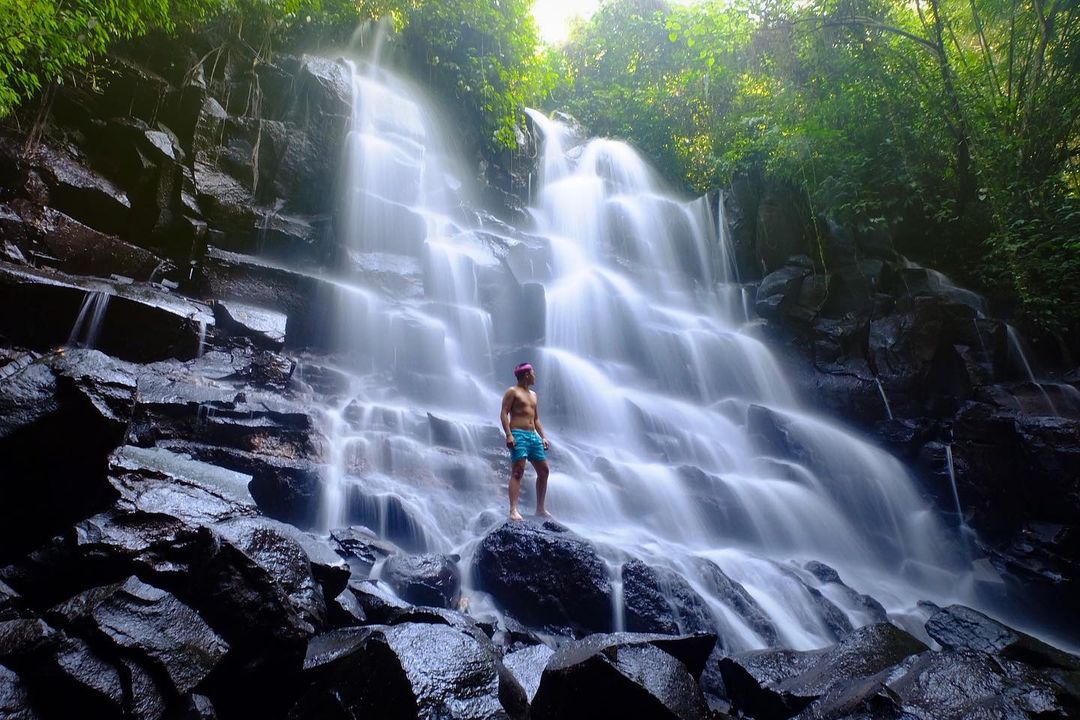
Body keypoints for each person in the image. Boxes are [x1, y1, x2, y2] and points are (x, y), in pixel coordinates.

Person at [500, 362, 550, 521]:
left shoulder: (534, 395)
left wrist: (543, 436)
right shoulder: (512, 392)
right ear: (527, 375)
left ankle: (540, 509)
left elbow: (536, 419)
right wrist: (509, 435)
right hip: (518, 434)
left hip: (533, 436)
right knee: (518, 471)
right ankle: (513, 510)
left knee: (544, 471)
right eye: (533, 373)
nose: (535, 376)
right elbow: (504, 413)